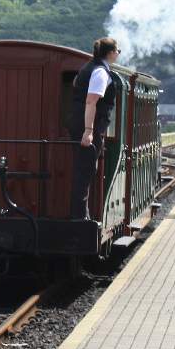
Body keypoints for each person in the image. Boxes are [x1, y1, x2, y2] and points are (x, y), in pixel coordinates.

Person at [68, 37, 121, 219]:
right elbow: (91, 101)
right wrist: (88, 131)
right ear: (111, 53)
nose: (118, 54)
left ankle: (82, 215)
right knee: (85, 171)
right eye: (117, 51)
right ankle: (80, 217)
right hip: (88, 127)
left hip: (79, 123)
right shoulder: (100, 72)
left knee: (84, 171)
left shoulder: (89, 67)